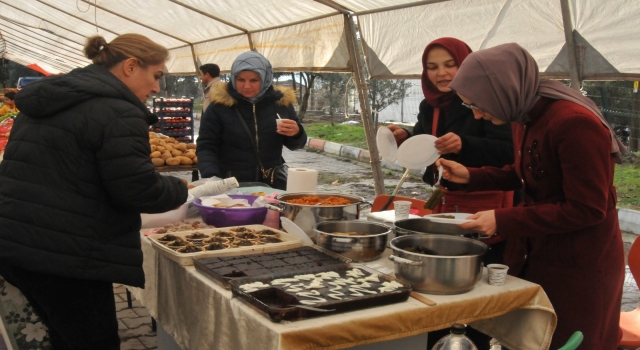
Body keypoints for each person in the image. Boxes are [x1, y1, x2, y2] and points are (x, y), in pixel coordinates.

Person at [0, 34, 188, 349]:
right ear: (131, 66)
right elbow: (137, 190)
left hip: (18, 242)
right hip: (65, 256)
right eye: (156, 76)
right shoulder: (117, 111)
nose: (157, 87)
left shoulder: (51, 97)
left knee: (64, 336)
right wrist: (179, 187)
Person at [439, 43, 626, 349]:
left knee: (569, 338)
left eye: (478, 104)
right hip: (540, 250)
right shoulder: (524, 114)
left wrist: (502, 218)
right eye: (469, 106)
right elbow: (529, 171)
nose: (477, 115)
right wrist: (473, 176)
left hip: (580, 264)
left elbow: (587, 208)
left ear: (502, 89)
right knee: (532, 337)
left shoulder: (574, 123)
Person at [385, 38, 515, 215]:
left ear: (465, 65)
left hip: (488, 202)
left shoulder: (488, 100)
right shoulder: (429, 105)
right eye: (432, 67)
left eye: (450, 65)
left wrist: (464, 144)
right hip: (448, 198)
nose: (441, 73)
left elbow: (509, 152)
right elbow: (425, 142)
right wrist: (404, 138)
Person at [196, 51, 307, 189]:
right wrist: (211, 177)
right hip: (231, 185)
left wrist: (296, 133)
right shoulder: (219, 107)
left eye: (254, 80)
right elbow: (206, 146)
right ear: (233, 78)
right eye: (241, 80)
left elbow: (296, 145)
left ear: (265, 78)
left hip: (271, 186)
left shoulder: (280, 104)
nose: (247, 86)